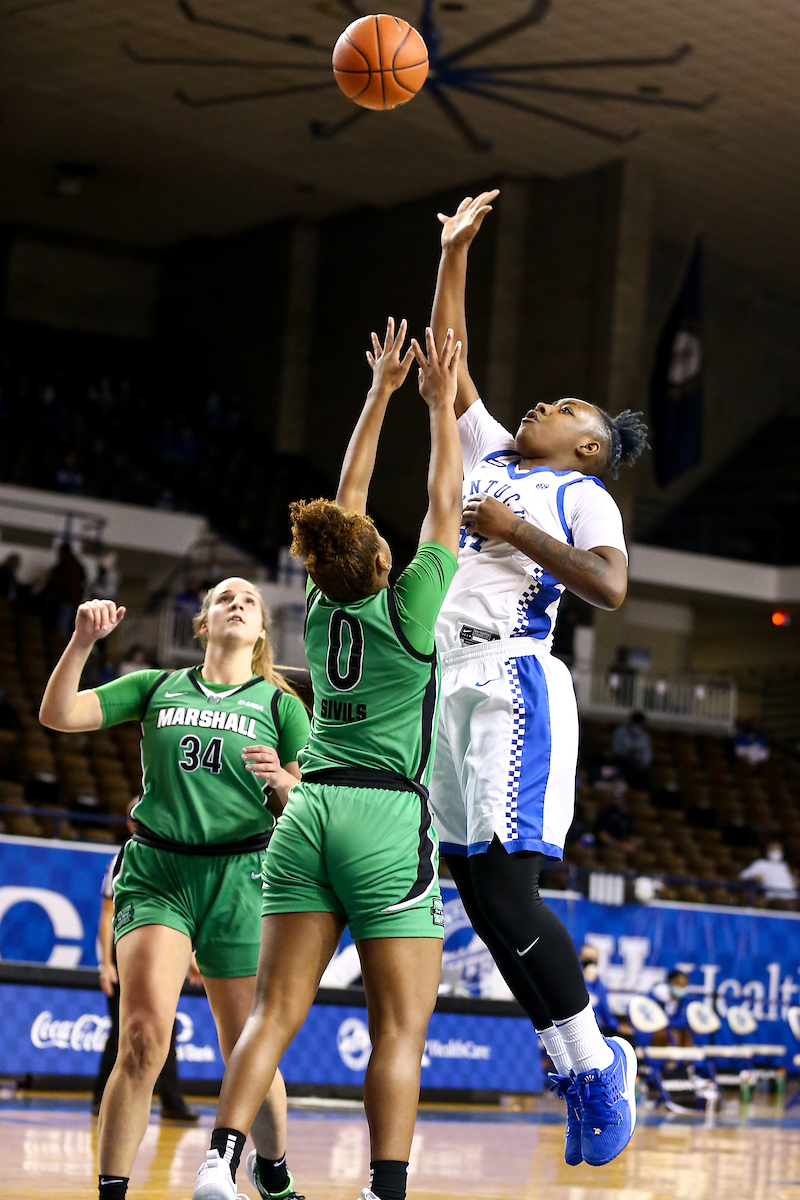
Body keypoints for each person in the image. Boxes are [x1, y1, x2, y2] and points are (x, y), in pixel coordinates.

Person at [190, 319, 463, 1200]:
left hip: (306, 814)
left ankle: (218, 1166)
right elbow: (446, 499)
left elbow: (350, 492)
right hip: (384, 814)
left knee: (272, 1013)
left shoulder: (316, 606)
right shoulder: (408, 604)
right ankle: (385, 1192)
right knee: (399, 1033)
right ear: (386, 560)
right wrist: (440, 407)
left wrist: (381, 392)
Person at [427, 190, 648, 1169]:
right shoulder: (491, 455)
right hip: (447, 678)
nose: (535, 406)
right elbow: (450, 357)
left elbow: (606, 587)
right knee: (475, 896)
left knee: (508, 895)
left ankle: (593, 1066)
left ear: (588, 446)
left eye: (559, 408)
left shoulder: (578, 493)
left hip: (515, 680)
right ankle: (572, 1060)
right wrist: (453, 254)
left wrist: (518, 533)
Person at [39, 576, 310, 1200]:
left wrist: (282, 783)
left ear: (262, 630)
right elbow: (58, 714)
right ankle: (112, 1191)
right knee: (141, 1038)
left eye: (249, 601)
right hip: (160, 871)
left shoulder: (280, 705)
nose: (236, 604)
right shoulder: (158, 686)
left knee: (246, 1046)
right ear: (204, 622)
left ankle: (273, 1172)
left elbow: (310, 804)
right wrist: (81, 642)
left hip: (242, 876)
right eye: (224, 598)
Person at [93, 799, 199, 1122]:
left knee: (165, 1028)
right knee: (126, 1031)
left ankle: (171, 1101)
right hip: (126, 949)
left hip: (157, 952)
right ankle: (102, 1099)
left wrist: (192, 961)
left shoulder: (171, 855)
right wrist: (107, 964)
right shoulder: (123, 857)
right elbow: (107, 916)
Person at [595, 781, 639, 855]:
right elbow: (602, 835)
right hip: (607, 847)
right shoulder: (605, 813)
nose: (617, 800)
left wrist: (629, 844)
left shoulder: (626, 815)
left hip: (621, 847)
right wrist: (618, 845)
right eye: (616, 797)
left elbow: (629, 834)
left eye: (620, 797)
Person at [611, 711, 652, 787]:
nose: (636, 728)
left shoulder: (645, 737)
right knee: (630, 763)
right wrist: (628, 751)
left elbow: (647, 755)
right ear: (630, 722)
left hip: (638, 766)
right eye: (635, 724)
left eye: (639, 725)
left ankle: (636, 792)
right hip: (621, 761)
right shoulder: (619, 733)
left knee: (644, 774)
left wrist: (644, 763)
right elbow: (616, 750)